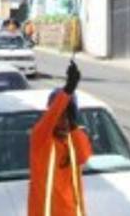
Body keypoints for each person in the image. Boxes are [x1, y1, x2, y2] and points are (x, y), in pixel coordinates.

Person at [28, 61, 91, 216]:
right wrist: (68, 90)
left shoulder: (73, 140)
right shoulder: (41, 138)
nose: (63, 121)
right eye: (60, 116)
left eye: (68, 116)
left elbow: (83, 156)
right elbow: (51, 117)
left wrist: (73, 125)